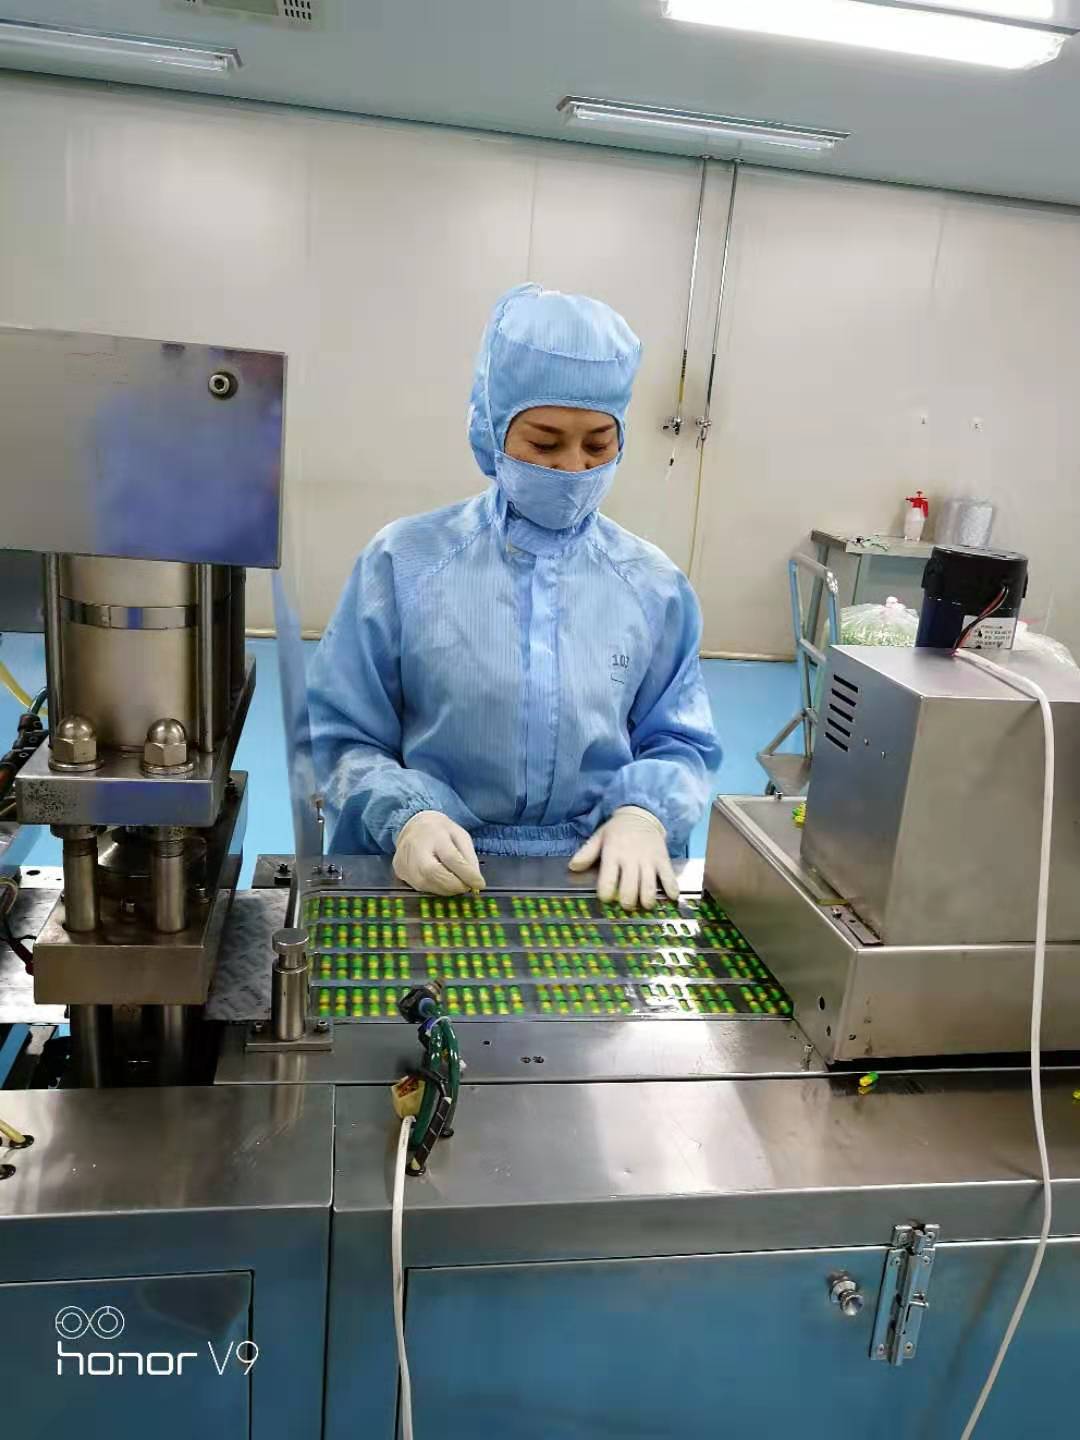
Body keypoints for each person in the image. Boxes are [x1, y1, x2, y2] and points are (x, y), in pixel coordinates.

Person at [308, 283, 720, 909]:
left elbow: (678, 739)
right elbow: (343, 733)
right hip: (436, 874)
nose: (573, 467)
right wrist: (408, 816)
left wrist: (644, 814)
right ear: (491, 429)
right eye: (545, 443)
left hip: (597, 877)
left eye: (598, 443)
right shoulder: (404, 564)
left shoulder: (652, 584)